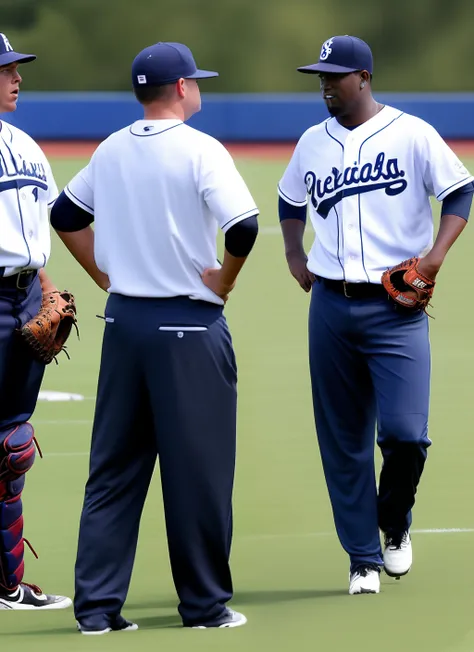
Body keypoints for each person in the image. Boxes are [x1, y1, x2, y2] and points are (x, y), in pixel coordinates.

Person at [50, 41, 259, 633]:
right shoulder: (201, 148)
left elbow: (65, 215)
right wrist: (224, 281)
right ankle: (203, 606)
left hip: (124, 324)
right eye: (196, 81)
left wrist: (101, 275)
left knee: (113, 471)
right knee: (199, 473)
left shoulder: (112, 146)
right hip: (187, 329)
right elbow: (244, 225)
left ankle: (95, 610)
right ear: (183, 89)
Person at [278, 35, 474, 594]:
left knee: (407, 436)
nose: (324, 85)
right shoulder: (311, 143)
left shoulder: (412, 133)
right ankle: (361, 556)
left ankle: (393, 521)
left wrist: (435, 257)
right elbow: (289, 201)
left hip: (396, 308)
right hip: (331, 308)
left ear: (363, 76)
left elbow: (459, 191)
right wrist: (294, 252)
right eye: (319, 76)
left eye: (334, 76)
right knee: (343, 439)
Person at [0, 32, 72, 610]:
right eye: (6, 70)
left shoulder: (24, 145)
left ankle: (7, 583)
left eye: (16, 68)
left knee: (13, 445)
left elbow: (38, 234)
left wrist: (47, 292)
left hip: (25, 297)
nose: (16, 77)